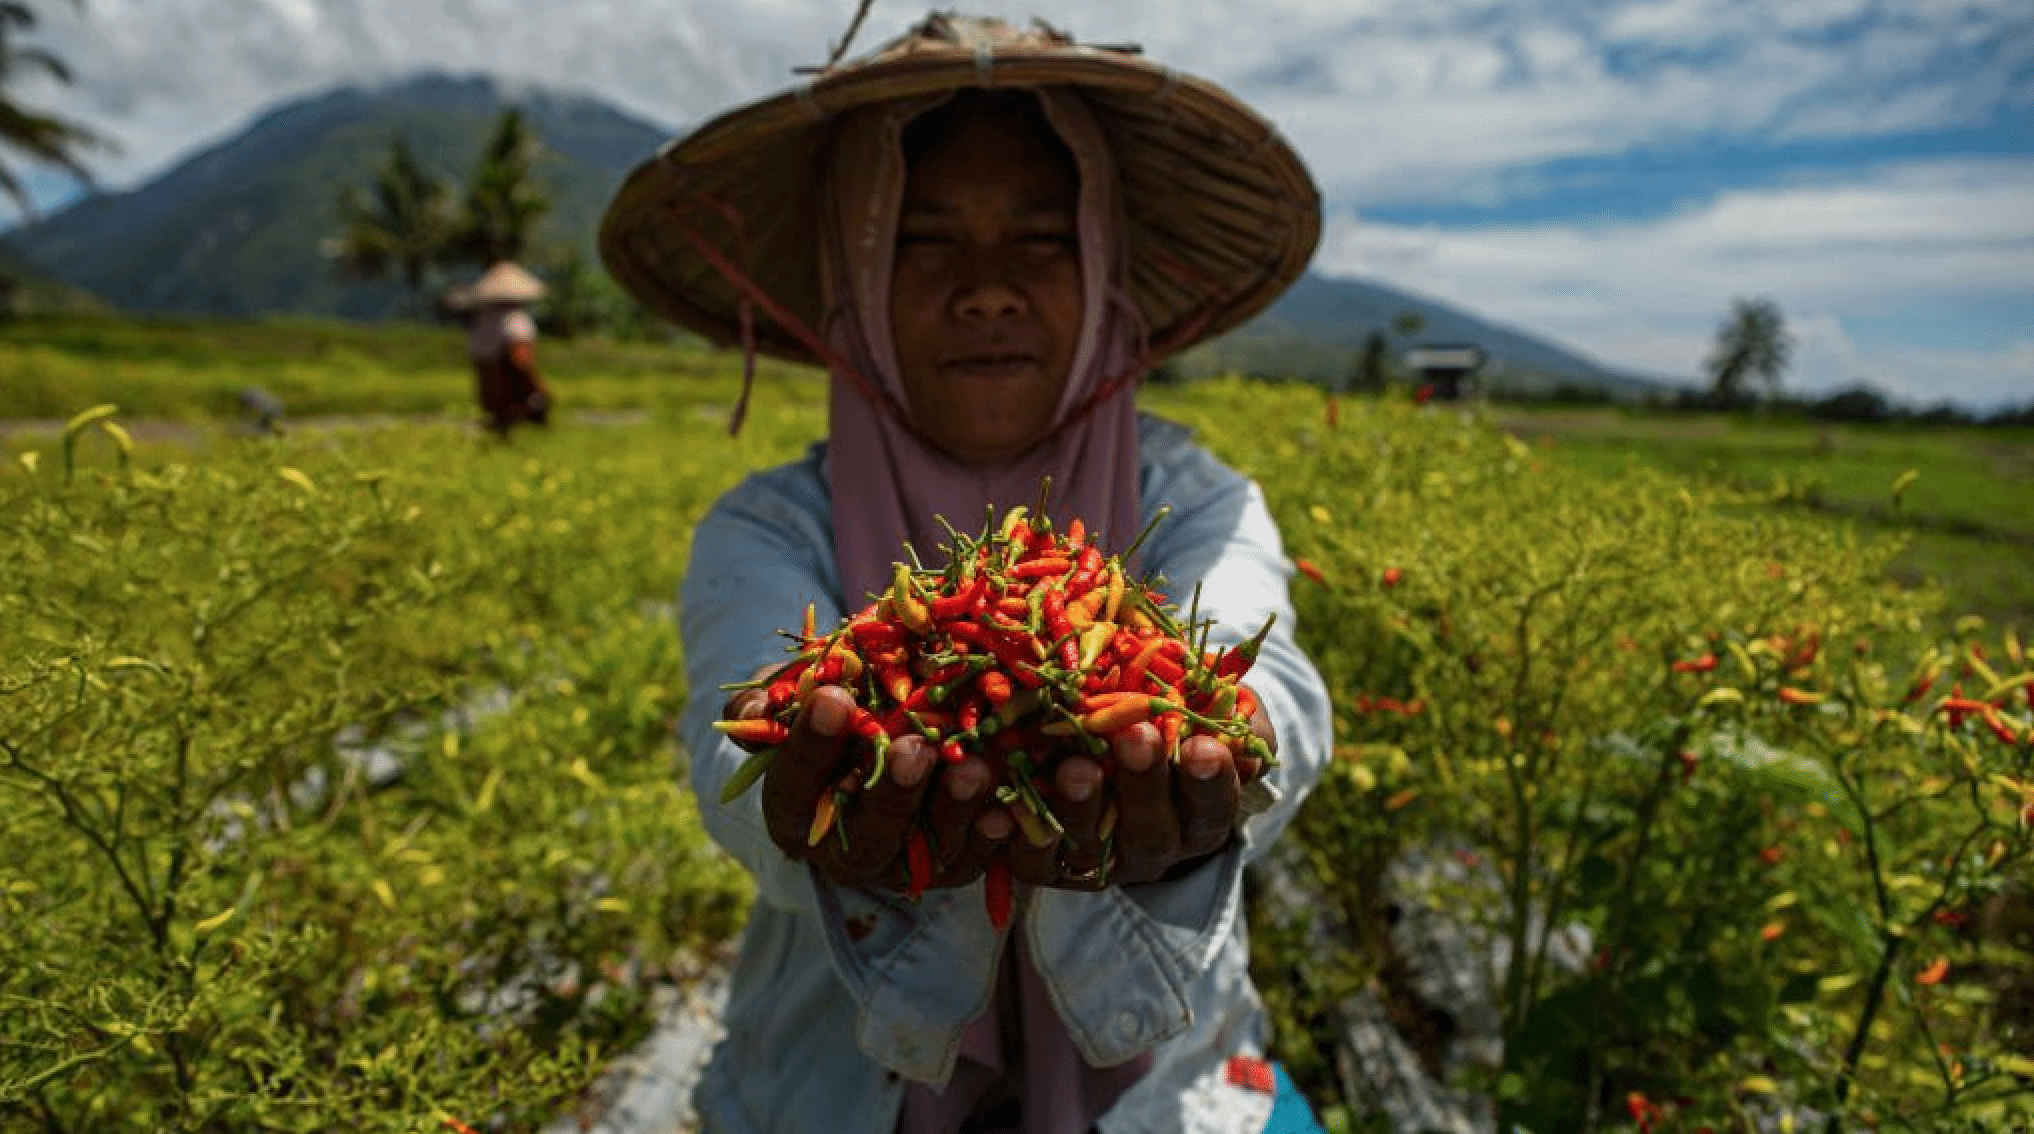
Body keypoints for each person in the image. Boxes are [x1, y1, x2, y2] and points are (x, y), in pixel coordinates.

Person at [599, 14, 1330, 1133]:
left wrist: (1232, 749)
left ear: (1103, 275)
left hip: (1170, 1086)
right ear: (853, 279)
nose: (987, 290)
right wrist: (809, 802)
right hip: (828, 1084)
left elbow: (1262, 674)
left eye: (1043, 237)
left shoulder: (1198, 497)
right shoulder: (770, 528)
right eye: (922, 240)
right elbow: (734, 733)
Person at [464, 261, 552, 436]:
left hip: (488, 387)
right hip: (509, 383)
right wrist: (539, 388)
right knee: (540, 405)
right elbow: (521, 359)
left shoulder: (483, 320)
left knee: (499, 425)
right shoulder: (517, 319)